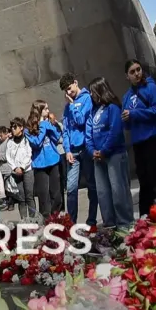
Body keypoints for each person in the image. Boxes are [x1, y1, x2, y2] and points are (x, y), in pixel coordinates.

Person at [122, 59, 156, 209]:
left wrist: (135, 114)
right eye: (132, 72)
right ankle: (146, 216)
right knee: (144, 181)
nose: (137, 74)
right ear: (127, 76)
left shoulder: (151, 87)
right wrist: (126, 118)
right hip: (138, 143)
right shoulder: (126, 97)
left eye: (138, 69)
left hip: (154, 139)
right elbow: (127, 125)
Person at [85, 76, 134, 227]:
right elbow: (88, 135)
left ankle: (125, 223)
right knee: (103, 193)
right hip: (98, 158)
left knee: (118, 190)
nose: (91, 95)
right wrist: (92, 151)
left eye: (93, 91)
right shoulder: (93, 112)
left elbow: (115, 131)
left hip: (114, 154)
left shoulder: (112, 108)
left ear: (100, 90)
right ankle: (110, 223)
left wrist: (104, 150)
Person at [60, 74, 96, 225]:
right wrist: (67, 149)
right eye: (65, 91)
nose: (68, 93)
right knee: (71, 188)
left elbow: (81, 120)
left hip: (86, 148)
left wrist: (73, 105)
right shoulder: (67, 107)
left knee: (91, 185)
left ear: (76, 83)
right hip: (73, 151)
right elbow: (65, 130)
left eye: (69, 88)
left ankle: (91, 221)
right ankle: (71, 223)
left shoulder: (87, 99)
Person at [25, 102, 64, 217]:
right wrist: (42, 126)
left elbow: (57, 138)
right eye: (45, 109)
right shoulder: (28, 128)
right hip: (40, 163)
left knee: (56, 193)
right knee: (43, 195)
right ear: (39, 110)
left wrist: (51, 125)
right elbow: (36, 142)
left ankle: (56, 216)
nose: (48, 110)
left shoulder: (47, 123)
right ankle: (46, 218)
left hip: (53, 160)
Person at [3, 119, 33, 217]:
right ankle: (24, 220)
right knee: (21, 198)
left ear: (21, 128)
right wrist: (15, 168)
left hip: (27, 170)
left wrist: (22, 167)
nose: (13, 129)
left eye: (15, 127)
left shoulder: (26, 140)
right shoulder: (10, 142)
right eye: (11, 127)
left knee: (29, 196)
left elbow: (29, 154)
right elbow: (8, 157)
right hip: (16, 173)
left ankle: (34, 219)